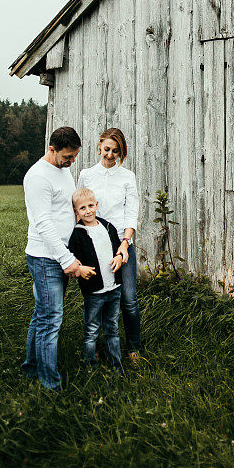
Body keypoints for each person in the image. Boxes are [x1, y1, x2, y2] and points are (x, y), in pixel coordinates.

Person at [21, 126, 92, 391]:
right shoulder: (38, 177)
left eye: (74, 156)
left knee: (43, 314)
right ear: (52, 149)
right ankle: (50, 384)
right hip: (45, 257)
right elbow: (43, 224)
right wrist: (67, 260)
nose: (72, 161)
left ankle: (30, 368)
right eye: (68, 157)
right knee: (51, 319)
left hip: (61, 253)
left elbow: (65, 209)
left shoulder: (63, 171)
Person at [77, 128, 141, 364]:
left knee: (128, 298)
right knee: (97, 298)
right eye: (107, 150)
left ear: (121, 152)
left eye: (116, 151)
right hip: (94, 244)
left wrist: (125, 244)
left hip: (121, 243)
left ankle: (134, 349)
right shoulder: (87, 174)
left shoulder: (127, 177)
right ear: (99, 146)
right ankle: (94, 348)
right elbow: (80, 207)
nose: (110, 155)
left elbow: (131, 211)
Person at [69, 188, 124, 370]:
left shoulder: (107, 226)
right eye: (82, 208)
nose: (88, 211)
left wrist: (119, 257)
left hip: (114, 288)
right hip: (94, 292)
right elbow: (72, 258)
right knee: (92, 330)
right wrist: (79, 267)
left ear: (96, 205)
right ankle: (90, 366)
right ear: (76, 212)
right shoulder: (77, 234)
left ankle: (116, 365)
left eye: (91, 206)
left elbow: (118, 249)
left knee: (112, 328)